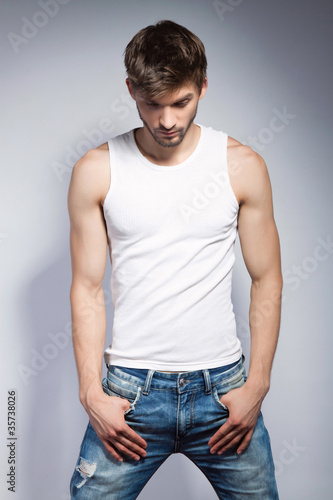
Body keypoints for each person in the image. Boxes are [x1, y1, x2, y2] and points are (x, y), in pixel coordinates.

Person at [68, 20, 282, 499]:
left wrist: (258, 385)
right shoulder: (97, 170)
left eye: (181, 102)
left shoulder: (241, 166)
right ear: (131, 90)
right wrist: (91, 394)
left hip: (223, 392)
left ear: (203, 86)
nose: (166, 120)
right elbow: (86, 288)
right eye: (152, 104)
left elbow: (267, 278)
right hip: (131, 392)